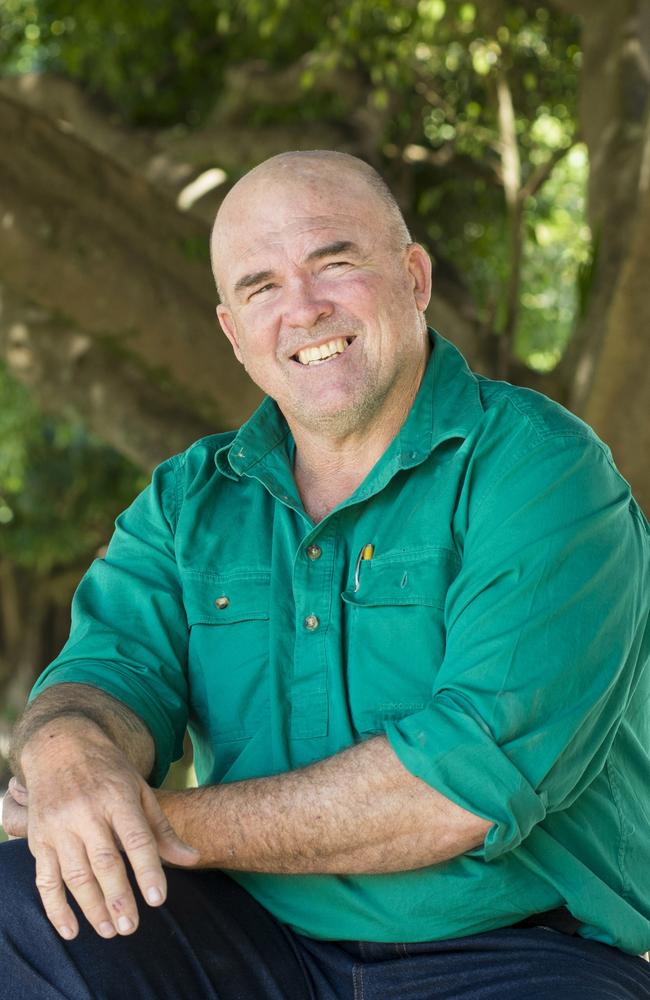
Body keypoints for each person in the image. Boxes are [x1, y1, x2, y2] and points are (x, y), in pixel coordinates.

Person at [1, 150, 649, 1000]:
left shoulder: (542, 470)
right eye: (261, 286)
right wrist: (70, 761)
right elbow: (105, 674)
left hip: (515, 953)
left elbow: (461, 787)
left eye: (334, 263)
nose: (302, 309)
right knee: (23, 901)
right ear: (234, 332)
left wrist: (148, 821)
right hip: (255, 938)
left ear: (414, 277)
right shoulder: (189, 500)